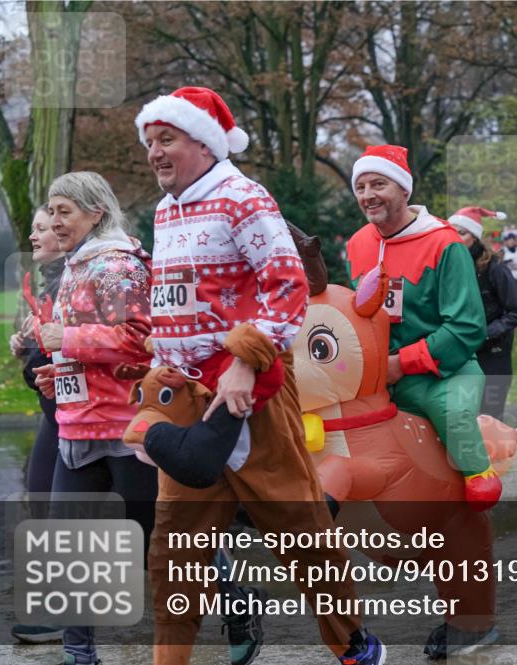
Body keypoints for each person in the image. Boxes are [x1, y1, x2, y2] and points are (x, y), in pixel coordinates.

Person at [135, 86, 384, 665]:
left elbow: (288, 285)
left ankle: (353, 646)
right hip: (188, 400)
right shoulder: (164, 209)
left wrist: (246, 359)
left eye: (166, 139)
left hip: (253, 399)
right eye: (150, 142)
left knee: (303, 540)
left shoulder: (242, 197)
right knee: (174, 551)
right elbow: (174, 299)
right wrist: (158, 361)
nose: (155, 153)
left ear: (204, 142)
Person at [31, 172, 157, 665]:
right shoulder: (75, 266)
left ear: (95, 213)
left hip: (125, 428)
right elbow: (79, 345)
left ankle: (235, 597)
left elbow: (139, 339)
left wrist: (70, 342)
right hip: (77, 429)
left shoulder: (118, 267)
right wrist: (57, 374)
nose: (55, 221)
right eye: (52, 210)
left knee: (158, 539)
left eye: (65, 211)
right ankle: (78, 655)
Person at [345, 145, 501, 508]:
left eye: (378, 184)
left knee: (454, 416)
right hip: (375, 377)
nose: (368, 195)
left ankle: (478, 475)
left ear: (403, 189)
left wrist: (401, 365)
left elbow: (466, 327)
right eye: (361, 187)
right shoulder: (356, 244)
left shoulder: (445, 244)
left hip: (443, 374)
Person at [448, 206, 517, 477]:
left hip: (495, 352)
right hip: (464, 354)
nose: (456, 237)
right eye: (452, 232)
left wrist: (484, 333)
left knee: (488, 421)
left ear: (476, 238)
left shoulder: (495, 269)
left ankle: (491, 481)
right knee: (465, 420)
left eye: (462, 233)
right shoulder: (451, 267)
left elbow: (516, 312)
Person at [7, 206, 66, 645]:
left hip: (93, 417)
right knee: (45, 500)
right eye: (34, 229)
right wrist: (27, 350)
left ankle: (228, 592)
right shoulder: (46, 283)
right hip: (56, 416)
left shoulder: (87, 278)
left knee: (142, 516)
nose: (34, 236)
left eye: (43, 228)